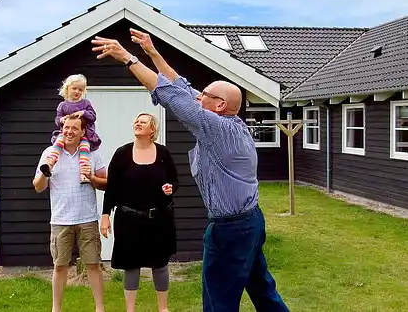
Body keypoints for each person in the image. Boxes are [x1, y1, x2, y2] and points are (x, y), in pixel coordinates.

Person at [91, 29, 290, 312]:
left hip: (231, 229)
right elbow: (182, 87)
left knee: (218, 300)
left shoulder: (217, 129)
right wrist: (153, 52)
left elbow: (173, 97)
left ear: (219, 105)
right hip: (249, 223)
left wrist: (127, 57)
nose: (199, 96)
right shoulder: (227, 121)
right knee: (261, 288)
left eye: (205, 95)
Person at [100, 112, 179, 312]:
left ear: (152, 129)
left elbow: (174, 181)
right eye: (136, 120)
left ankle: (163, 308)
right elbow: (112, 189)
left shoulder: (163, 154)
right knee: (131, 265)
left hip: (159, 219)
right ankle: (130, 309)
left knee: (160, 264)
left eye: (143, 121)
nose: (137, 123)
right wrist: (105, 215)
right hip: (129, 220)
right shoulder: (122, 154)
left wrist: (170, 187)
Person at [32, 114, 108, 312]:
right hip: (60, 220)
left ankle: (100, 309)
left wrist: (91, 177)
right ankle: (56, 309)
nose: (69, 132)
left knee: (93, 265)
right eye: (66, 127)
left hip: (87, 219)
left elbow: (106, 184)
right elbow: (38, 187)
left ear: (83, 131)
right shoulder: (50, 153)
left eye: (74, 128)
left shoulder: (92, 154)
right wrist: (46, 171)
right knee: (59, 267)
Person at [40, 74, 102, 184]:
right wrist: (62, 120)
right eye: (74, 88)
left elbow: (93, 116)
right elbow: (57, 119)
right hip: (65, 133)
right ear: (67, 88)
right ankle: (49, 164)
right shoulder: (63, 105)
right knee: (58, 144)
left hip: (83, 134)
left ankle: (83, 174)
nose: (77, 91)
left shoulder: (85, 103)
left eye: (80, 90)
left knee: (85, 149)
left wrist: (83, 113)